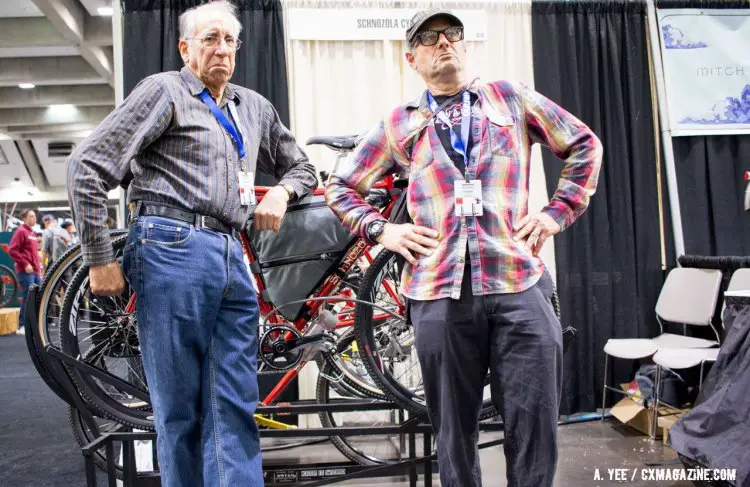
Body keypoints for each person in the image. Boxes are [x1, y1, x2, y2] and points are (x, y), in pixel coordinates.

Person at [325, 9, 603, 487]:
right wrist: (381, 231)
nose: (443, 44)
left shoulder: (510, 99)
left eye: (451, 34)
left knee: (534, 425)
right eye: (429, 39)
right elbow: (340, 185)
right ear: (411, 58)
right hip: (438, 293)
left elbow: (583, 145)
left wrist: (555, 214)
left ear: (465, 45)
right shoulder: (400, 123)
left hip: (519, 282)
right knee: (453, 433)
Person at [66, 1, 317, 485]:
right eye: (209, 39)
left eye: (229, 40)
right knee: (178, 409)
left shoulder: (254, 107)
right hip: (170, 245)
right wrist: (99, 258)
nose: (221, 48)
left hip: (232, 253)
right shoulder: (165, 91)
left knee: (235, 405)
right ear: (185, 48)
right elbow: (87, 165)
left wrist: (283, 192)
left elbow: (302, 165)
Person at [8, 209, 42, 335]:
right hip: (26, 271)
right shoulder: (21, 231)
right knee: (29, 298)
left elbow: (33, 253)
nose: (34, 218)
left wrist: (39, 267)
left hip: (35, 272)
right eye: (31, 216)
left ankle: (33, 325)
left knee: (37, 297)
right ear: (25, 218)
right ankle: (22, 326)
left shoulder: (32, 232)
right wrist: (25, 263)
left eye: (34, 216)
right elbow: (12, 250)